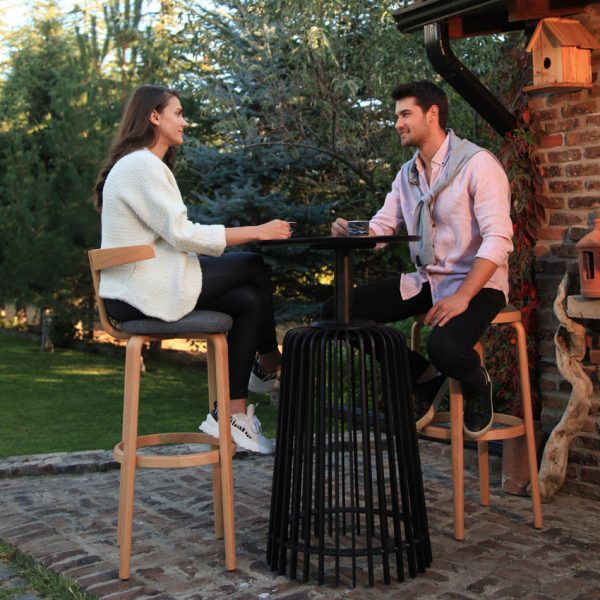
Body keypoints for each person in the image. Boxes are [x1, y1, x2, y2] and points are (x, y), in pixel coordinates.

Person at [94, 84, 290, 454]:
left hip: (142, 285)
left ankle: (231, 414)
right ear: (154, 116)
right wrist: (258, 231)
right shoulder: (141, 164)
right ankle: (271, 363)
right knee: (252, 263)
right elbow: (182, 235)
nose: (185, 122)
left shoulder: (141, 164)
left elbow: (171, 237)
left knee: (249, 299)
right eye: (178, 113)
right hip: (137, 292)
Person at [326, 80, 513, 439]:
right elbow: (383, 226)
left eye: (405, 114)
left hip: (478, 283)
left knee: (443, 346)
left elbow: (498, 239)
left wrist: (463, 297)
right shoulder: (407, 175)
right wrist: (353, 229)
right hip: (428, 279)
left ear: (432, 114)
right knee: (338, 311)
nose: (397, 123)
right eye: (396, 115)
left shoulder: (478, 165)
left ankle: (476, 381)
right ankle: (421, 376)